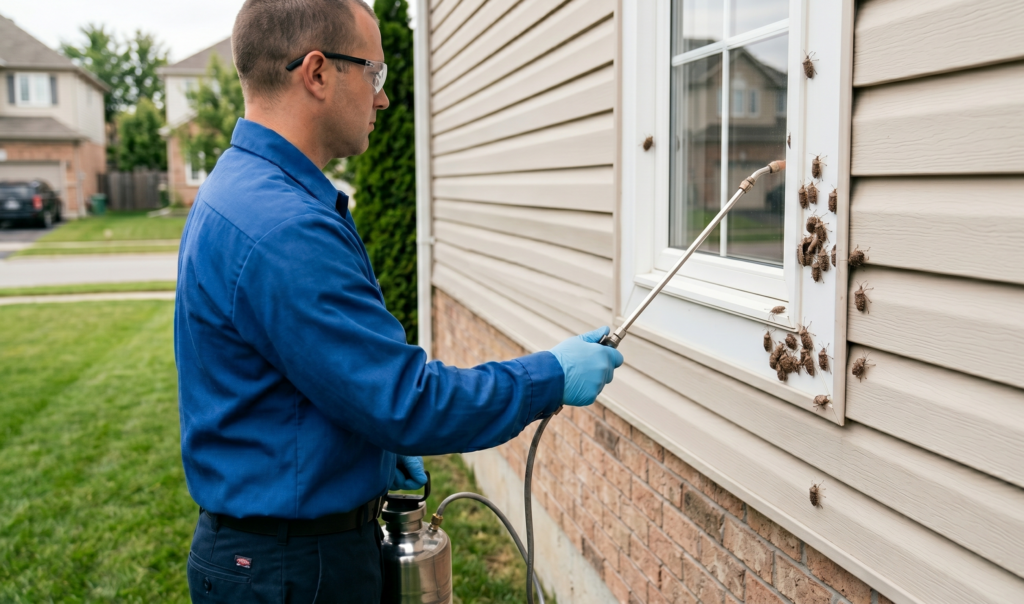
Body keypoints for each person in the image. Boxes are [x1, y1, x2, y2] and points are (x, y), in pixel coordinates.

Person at [173, 0, 623, 601]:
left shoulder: (239, 187)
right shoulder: (283, 228)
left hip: (269, 555)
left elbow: (304, 378)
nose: (383, 97)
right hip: (295, 571)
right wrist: (549, 375)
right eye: (375, 73)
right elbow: (407, 401)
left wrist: (376, 456)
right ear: (317, 72)